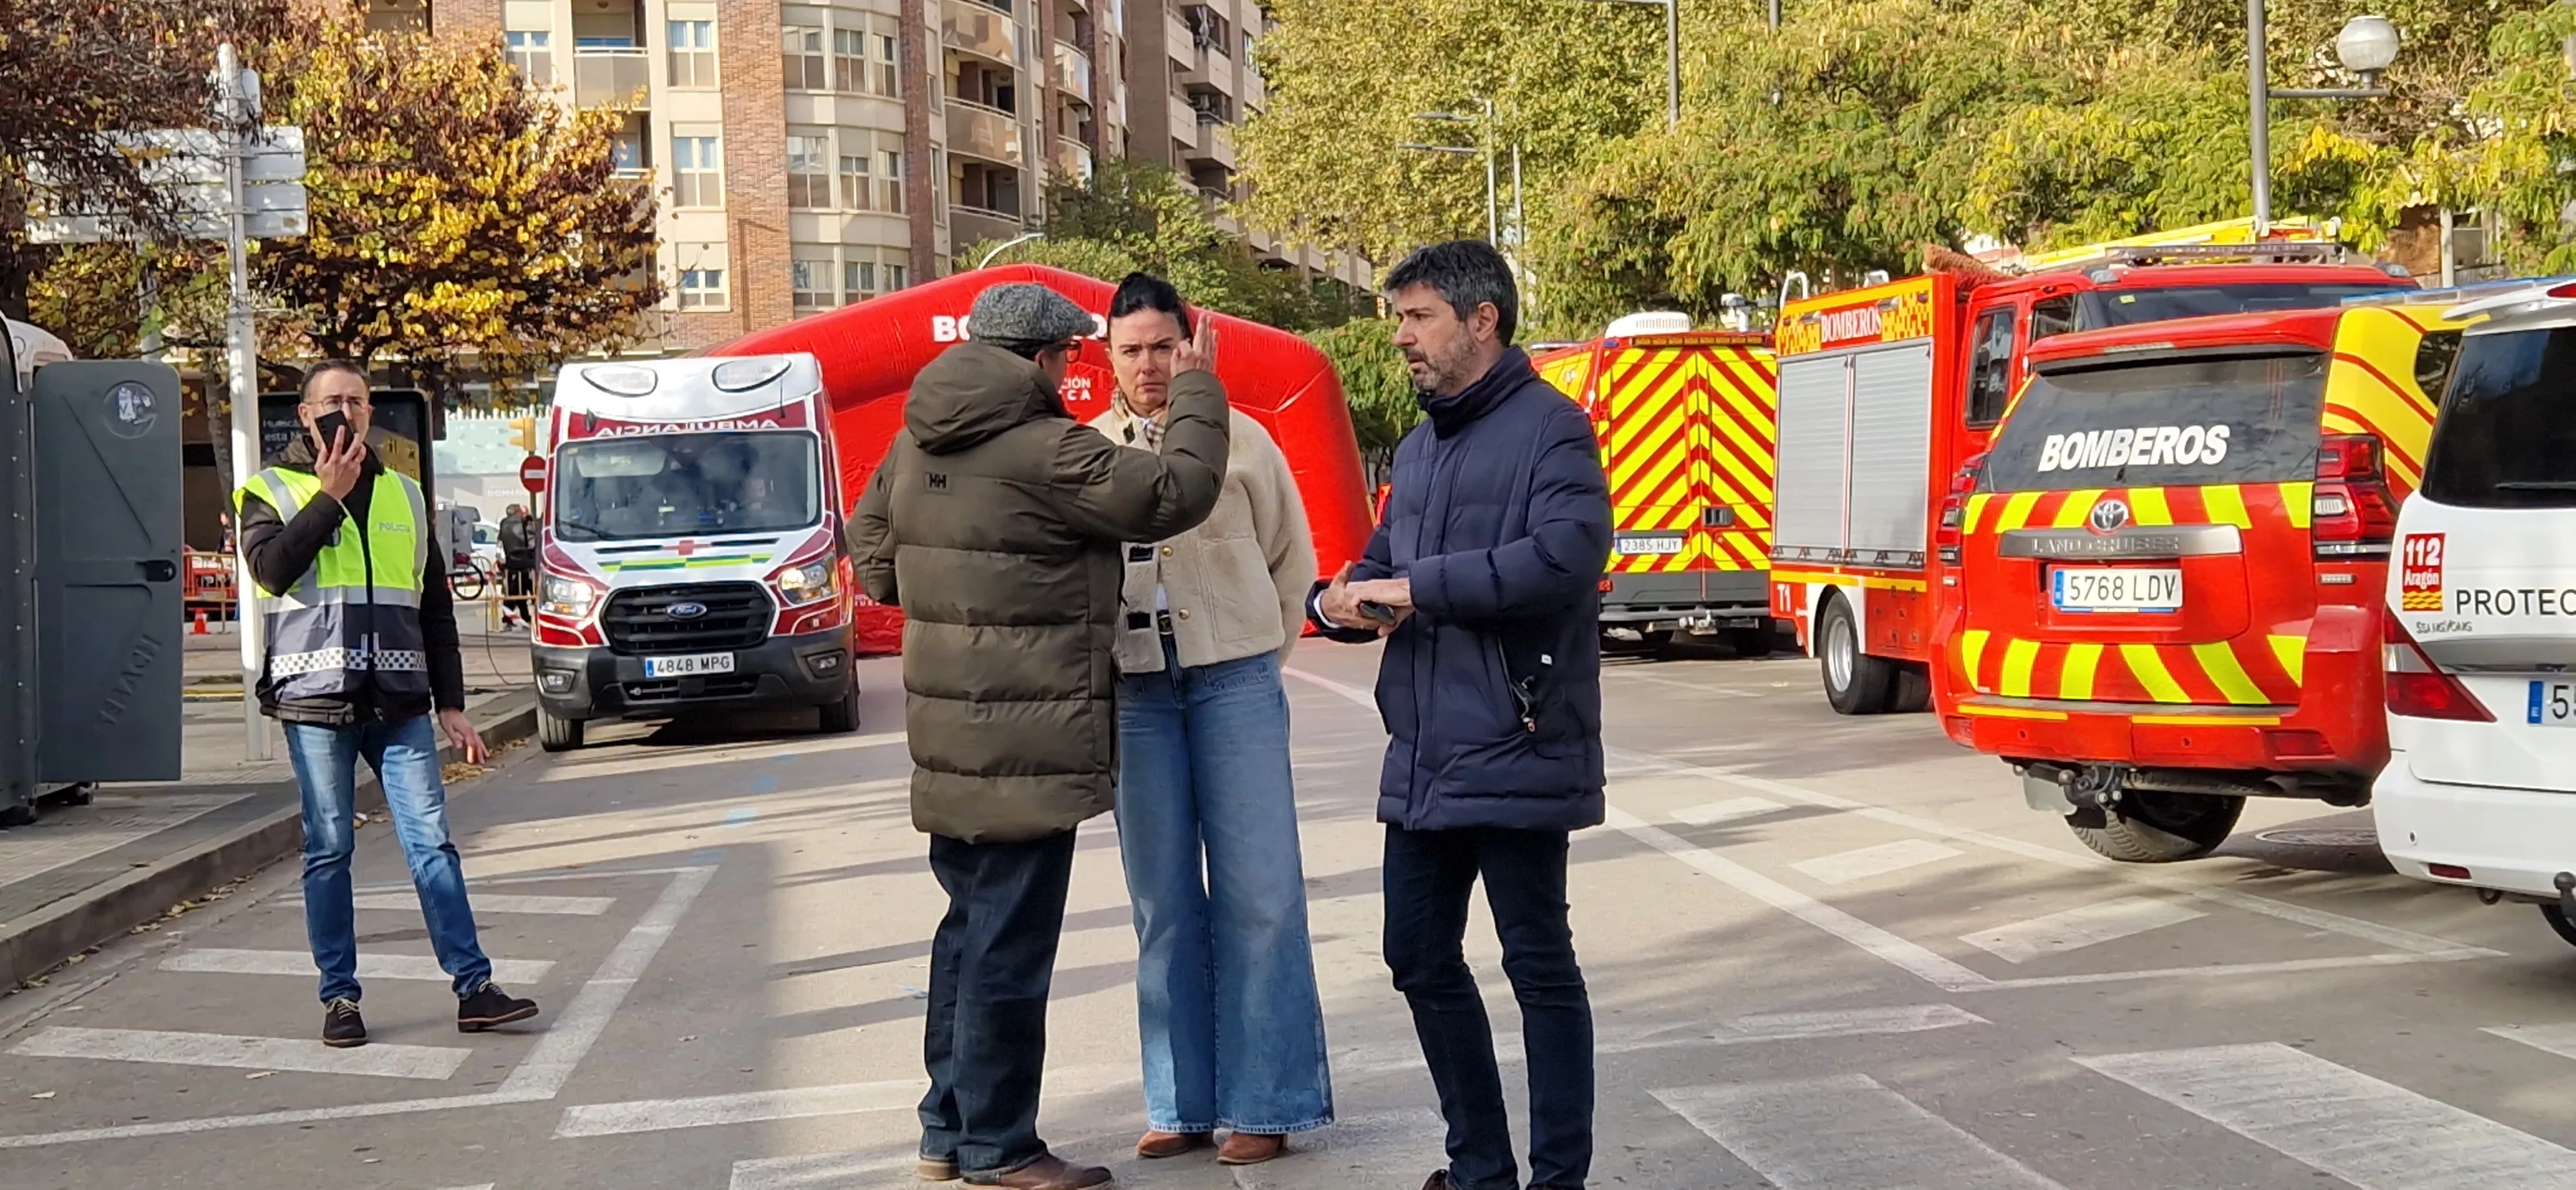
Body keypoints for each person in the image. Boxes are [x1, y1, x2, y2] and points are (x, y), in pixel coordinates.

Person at [846, 283, 1231, 1190]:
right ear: (1045, 359)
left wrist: (946, 595)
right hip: (1029, 738)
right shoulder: (1051, 447)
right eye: (1068, 358)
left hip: (950, 739)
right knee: (1010, 950)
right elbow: (1178, 492)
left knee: (966, 934)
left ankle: (947, 1131)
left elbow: (872, 549)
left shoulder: (915, 439)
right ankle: (1001, 1148)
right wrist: (1198, 387)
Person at [1308, 241, 1612, 1190]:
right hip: (1426, 751)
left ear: (1483, 320)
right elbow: (1380, 564)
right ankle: (1480, 1167)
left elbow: (1563, 559)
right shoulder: (1419, 445)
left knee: (1538, 967)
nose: (1402, 337)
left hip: (1518, 735)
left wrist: (1415, 588)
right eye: (1399, 318)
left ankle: (1558, 1177)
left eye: (1419, 316)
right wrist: (1340, 601)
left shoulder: (1554, 429)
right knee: (1416, 957)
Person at [1088, 274, 1329, 1166]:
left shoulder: (1247, 443)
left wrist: (1258, 664)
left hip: (1234, 687)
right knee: (1162, 904)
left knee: (1261, 897)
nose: (1149, 366)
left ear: (1192, 348)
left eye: (1163, 347)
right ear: (1106, 359)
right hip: (1139, 694)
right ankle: (1181, 1099)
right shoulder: (1087, 453)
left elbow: (1290, 562)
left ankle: (1266, 1101)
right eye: (1132, 350)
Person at [234, 360, 538, 1049]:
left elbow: (434, 607)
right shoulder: (270, 489)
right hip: (316, 702)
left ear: (370, 414)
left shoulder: (404, 494)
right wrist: (329, 497)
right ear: (306, 416)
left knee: (431, 843)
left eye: (358, 401)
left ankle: (475, 988)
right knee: (330, 849)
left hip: (400, 701)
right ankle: (339, 998)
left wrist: (452, 704)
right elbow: (272, 571)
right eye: (332, 402)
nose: (347, 411)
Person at [498, 502, 536, 627]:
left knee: (516, 592)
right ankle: (520, 617)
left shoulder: (504, 525)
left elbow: (500, 545)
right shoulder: (524, 524)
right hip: (526, 564)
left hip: (511, 565)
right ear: (517, 513)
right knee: (526, 591)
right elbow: (532, 542)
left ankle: (519, 617)